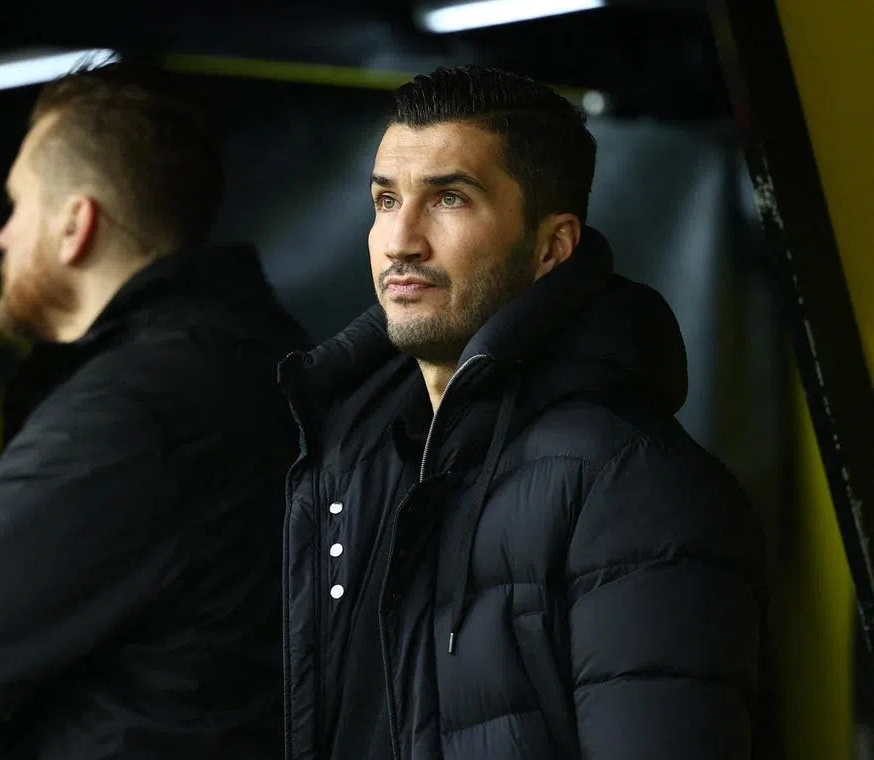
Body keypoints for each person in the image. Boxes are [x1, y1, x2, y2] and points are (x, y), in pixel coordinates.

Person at [278, 65, 769, 759]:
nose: (400, 241)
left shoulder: (633, 484)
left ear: (551, 248)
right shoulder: (351, 459)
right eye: (386, 201)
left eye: (449, 198)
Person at [0, 58, 310, 759]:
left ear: (73, 225)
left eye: (17, 204)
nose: (1, 236)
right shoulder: (261, 363)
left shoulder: (145, 406)